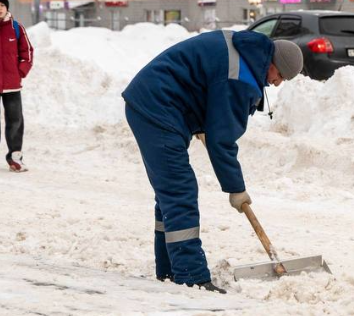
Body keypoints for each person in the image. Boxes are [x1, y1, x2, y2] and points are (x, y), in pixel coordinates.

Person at [122, 30, 303, 292]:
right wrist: (236, 188)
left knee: (170, 193)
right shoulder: (241, 77)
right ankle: (191, 276)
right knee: (179, 189)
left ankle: (170, 271)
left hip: (160, 103)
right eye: (281, 77)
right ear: (273, 65)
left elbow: (207, 86)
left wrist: (204, 124)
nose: (276, 84)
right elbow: (223, 140)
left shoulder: (247, 54)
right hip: (158, 106)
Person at [0, 0, 33, 173]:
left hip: (12, 85)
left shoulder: (16, 28)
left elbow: (27, 52)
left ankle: (15, 157)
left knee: (15, 120)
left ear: (7, 8)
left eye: (2, 6)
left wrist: (21, 71)